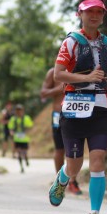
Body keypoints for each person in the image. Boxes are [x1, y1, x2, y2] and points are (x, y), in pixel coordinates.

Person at [48, 0, 107, 214]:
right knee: (74, 166)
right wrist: (85, 78)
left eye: (98, 12)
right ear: (80, 14)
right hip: (74, 108)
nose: (94, 16)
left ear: (103, 15)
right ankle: (63, 178)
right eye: (89, 11)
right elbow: (58, 74)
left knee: (98, 160)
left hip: (101, 108)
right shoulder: (71, 42)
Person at [40, 67, 82, 195]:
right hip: (58, 115)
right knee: (59, 149)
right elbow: (43, 93)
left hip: (77, 113)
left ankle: (73, 181)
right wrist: (59, 89)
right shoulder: (53, 73)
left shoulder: (81, 69)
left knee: (75, 149)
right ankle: (60, 182)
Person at [7, 104, 34, 173]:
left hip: (24, 138)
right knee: (19, 152)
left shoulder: (26, 118)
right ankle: (21, 167)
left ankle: (26, 158)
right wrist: (11, 132)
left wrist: (27, 130)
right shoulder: (13, 119)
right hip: (17, 139)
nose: (19, 112)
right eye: (17, 110)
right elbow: (10, 128)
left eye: (20, 110)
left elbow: (30, 126)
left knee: (24, 152)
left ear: (22, 111)